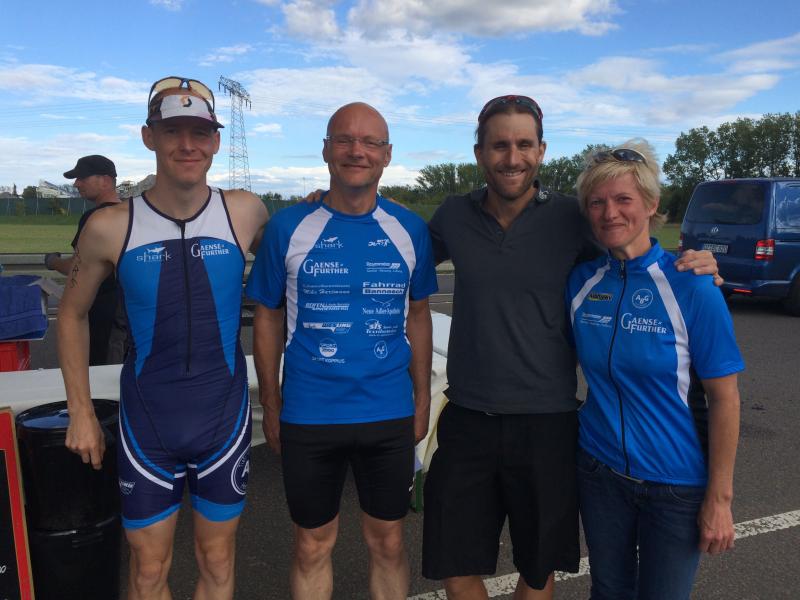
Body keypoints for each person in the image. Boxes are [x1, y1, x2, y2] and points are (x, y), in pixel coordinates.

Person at [420, 95, 721, 600]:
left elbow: (633, 248)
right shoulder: (453, 215)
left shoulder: (571, 217)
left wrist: (697, 264)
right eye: (499, 145)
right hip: (469, 417)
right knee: (456, 564)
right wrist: (336, 204)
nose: (512, 157)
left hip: (548, 424)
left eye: (524, 144)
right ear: (479, 153)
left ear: (541, 151)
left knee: (538, 570)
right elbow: (392, 253)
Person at [57, 76, 268, 600]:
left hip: (223, 421)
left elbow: (293, 267)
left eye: (200, 132)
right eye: (173, 131)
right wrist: (80, 411)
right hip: (147, 424)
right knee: (148, 571)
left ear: (216, 141)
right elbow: (71, 315)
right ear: (149, 136)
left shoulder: (245, 211)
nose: (187, 145)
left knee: (217, 560)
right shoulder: (110, 226)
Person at [246, 102, 437, 600]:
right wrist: (271, 403)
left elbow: (418, 315)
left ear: (387, 155)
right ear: (326, 150)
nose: (357, 151)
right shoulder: (288, 226)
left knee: (389, 543)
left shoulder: (410, 229)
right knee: (312, 545)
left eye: (371, 142)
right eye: (345, 140)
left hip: (388, 413)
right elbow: (267, 316)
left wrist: (421, 401)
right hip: (310, 414)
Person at [566, 140, 743, 600]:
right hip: (599, 472)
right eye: (597, 202)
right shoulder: (581, 282)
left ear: (651, 204)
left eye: (623, 199)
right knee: (608, 592)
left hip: (674, 485)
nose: (610, 213)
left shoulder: (693, 285)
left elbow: (725, 398)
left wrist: (720, 498)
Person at [45, 155, 126, 365]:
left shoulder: (96, 218)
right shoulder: (131, 214)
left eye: (82, 178)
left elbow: (77, 268)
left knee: (98, 372)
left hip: (102, 315)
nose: (76, 184)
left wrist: (52, 262)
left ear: (106, 180)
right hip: (126, 316)